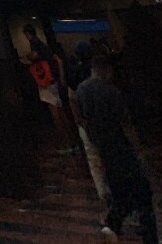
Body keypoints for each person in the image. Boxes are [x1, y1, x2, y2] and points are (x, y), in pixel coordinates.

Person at [76, 54, 159, 243]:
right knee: (142, 192)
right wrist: (138, 149)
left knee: (120, 192)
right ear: (108, 69)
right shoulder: (112, 91)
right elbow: (125, 123)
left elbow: (82, 119)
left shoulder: (82, 89)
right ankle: (149, 235)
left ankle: (112, 225)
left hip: (104, 148)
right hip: (121, 147)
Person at [67, 41, 110, 206]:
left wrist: (79, 120)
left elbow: (72, 99)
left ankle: (102, 192)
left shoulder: (75, 75)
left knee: (94, 159)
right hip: (104, 123)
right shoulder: (97, 75)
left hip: (86, 123)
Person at [22, 23, 75, 148]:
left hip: (46, 82)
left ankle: (65, 143)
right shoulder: (44, 45)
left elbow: (34, 56)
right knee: (60, 110)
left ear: (28, 34)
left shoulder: (35, 44)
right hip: (53, 80)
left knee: (55, 112)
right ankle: (71, 141)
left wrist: (28, 57)